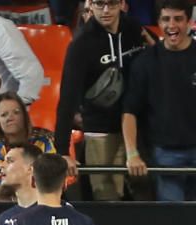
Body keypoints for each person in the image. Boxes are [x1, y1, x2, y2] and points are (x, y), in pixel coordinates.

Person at [54, 0, 149, 200]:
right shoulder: (81, 44)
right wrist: (62, 150)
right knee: (106, 197)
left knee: (144, 195)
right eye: (99, 3)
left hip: (138, 128)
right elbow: (67, 98)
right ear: (90, 4)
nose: (106, 10)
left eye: (112, 3)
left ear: (122, 3)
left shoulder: (134, 29)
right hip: (100, 132)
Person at [122, 0, 196, 202]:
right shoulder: (145, 62)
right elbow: (130, 111)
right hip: (165, 156)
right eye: (166, 19)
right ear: (159, 22)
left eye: (178, 19)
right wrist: (132, 154)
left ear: (189, 22)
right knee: (173, 221)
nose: (172, 25)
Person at [0, 92, 56, 195]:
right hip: (8, 203)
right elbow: (0, 189)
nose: (10, 118)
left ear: (24, 116)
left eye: (16, 112)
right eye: (4, 115)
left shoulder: (44, 140)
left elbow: (53, 180)